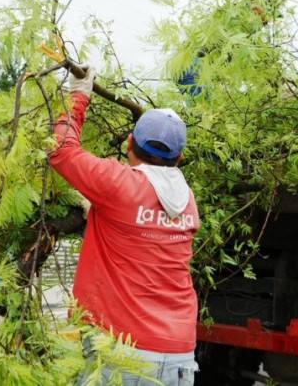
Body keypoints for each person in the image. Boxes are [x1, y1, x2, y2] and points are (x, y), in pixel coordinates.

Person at [49, 66, 201, 385]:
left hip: (124, 353)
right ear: (181, 157)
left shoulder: (118, 183)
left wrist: (78, 94)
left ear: (130, 142)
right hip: (179, 355)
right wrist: (101, 209)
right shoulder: (187, 199)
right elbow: (143, 225)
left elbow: (61, 150)